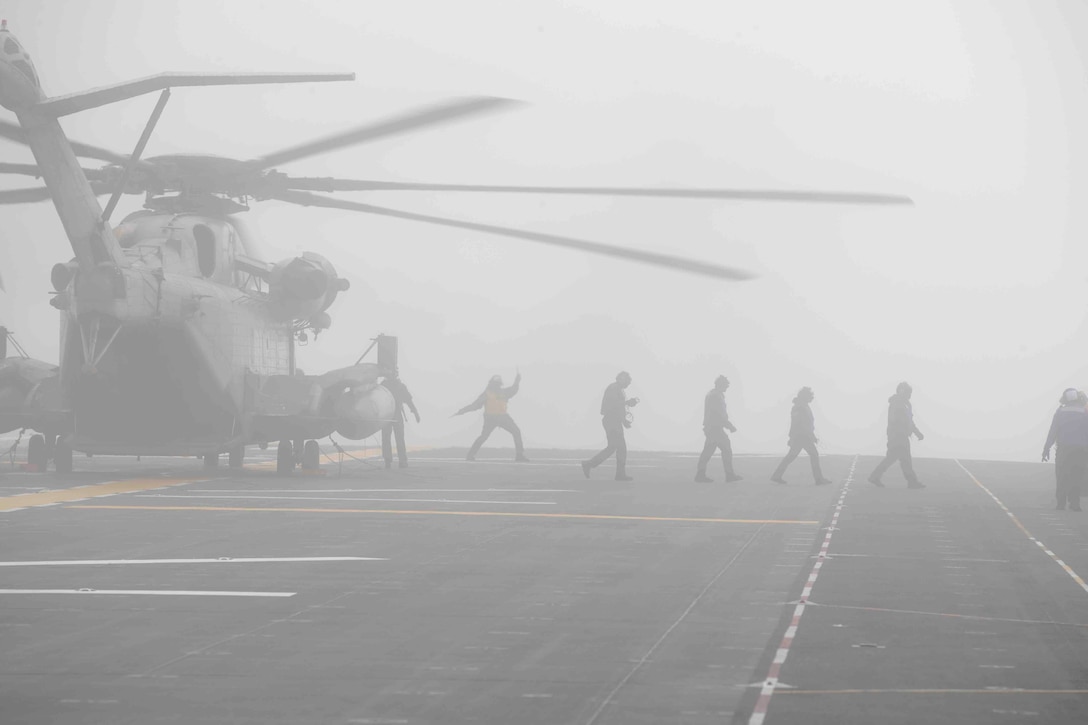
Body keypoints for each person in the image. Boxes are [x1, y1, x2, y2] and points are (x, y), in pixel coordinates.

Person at [455, 371, 529, 462]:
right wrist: (462, 410)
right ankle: (470, 455)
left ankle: (519, 455)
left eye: (498, 384)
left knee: (515, 432)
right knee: (484, 437)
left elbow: (514, 389)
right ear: (492, 384)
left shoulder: (502, 392)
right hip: (491, 418)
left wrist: (517, 380)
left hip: (503, 417)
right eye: (495, 384)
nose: (496, 386)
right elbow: (475, 405)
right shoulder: (488, 394)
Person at [582, 371, 639, 481]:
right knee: (620, 448)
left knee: (613, 447)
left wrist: (624, 421)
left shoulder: (618, 389)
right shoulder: (614, 388)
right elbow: (614, 405)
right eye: (627, 381)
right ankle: (618, 474)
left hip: (614, 421)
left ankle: (590, 464)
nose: (628, 384)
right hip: (611, 421)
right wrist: (628, 403)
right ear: (621, 379)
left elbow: (618, 408)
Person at [868, 381, 925, 488]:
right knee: (903, 459)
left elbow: (910, 421)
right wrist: (907, 430)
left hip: (900, 435)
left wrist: (917, 433)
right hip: (897, 436)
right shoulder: (897, 403)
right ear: (902, 391)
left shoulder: (905, 404)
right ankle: (912, 481)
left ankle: (875, 476)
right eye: (908, 392)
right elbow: (895, 419)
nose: (909, 395)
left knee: (896, 458)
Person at [770, 386, 832, 485]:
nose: (812, 397)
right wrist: (809, 436)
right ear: (805, 396)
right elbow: (799, 423)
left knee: (791, 456)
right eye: (810, 395)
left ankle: (776, 475)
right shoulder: (799, 407)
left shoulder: (802, 406)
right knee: (813, 454)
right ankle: (819, 479)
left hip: (802, 435)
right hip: (802, 436)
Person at [1042, 388, 1088, 511]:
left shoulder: (1060, 412)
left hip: (1064, 450)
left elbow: (1053, 432)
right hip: (1081, 451)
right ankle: (1075, 503)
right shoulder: (1085, 412)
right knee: (1077, 476)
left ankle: (1061, 503)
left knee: (1062, 475)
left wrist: (1046, 449)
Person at [695, 375, 742, 483]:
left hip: (711, 427)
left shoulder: (712, 394)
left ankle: (700, 474)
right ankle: (729, 475)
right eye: (726, 385)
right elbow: (719, 414)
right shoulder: (716, 396)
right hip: (715, 428)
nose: (727, 387)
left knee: (708, 451)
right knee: (725, 449)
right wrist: (729, 426)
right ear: (721, 384)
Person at [380, 371, 420, 469]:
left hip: (394, 415)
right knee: (388, 438)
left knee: (398, 438)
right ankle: (389, 460)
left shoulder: (398, 386)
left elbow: (408, 401)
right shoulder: (383, 386)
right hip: (387, 415)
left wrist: (415, 412)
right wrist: (415, 413)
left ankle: (400, 461)